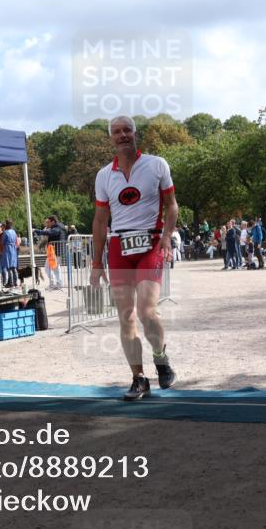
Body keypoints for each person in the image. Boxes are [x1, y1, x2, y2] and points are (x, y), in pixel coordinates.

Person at [90, 115, 178, 401]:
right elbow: (101, 220)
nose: (122, 135)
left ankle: (160, 357)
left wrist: (166, 237)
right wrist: (95, 264)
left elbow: (172, 206)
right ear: (111, 138)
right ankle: (138, 378)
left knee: (146, 312)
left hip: (150, 242)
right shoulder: (104, 175)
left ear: (135, 133)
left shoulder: (156, 164)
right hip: (119, 246)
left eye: (127, 130)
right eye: (116, 132)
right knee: (125, 316)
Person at [1, 219, 19, 288]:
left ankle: (11, 283)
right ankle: (15, 282)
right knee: (13, 267)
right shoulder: (14, 231)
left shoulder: (5, 232)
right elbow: (15, 240)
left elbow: (3, 242)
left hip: (8, 249)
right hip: (13, 249)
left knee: (9, 267)